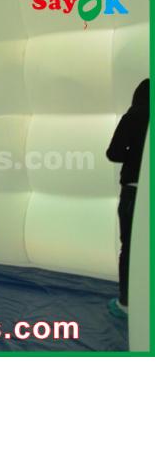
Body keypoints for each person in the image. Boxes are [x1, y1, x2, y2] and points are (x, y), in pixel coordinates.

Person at [106, 78, 149, 318]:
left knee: (130, 248)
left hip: (134, 190)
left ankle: (127, 303)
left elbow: (114, 153)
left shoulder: (134, 116)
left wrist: (134, 155)